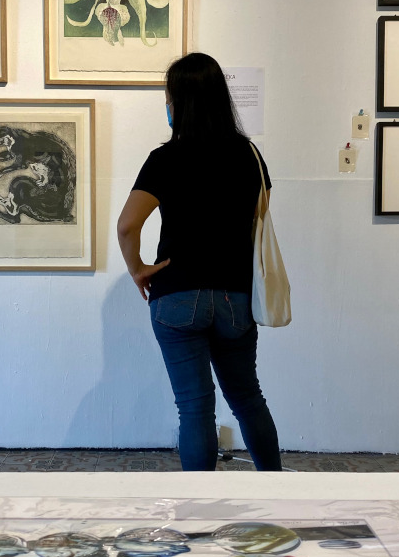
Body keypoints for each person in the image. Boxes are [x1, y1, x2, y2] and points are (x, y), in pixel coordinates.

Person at [116, 52, 282, 471]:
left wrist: (137, 269)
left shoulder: (165, 159)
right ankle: (280, 490)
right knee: (247, 398)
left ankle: (199, 507)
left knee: (194, 408)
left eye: (167, 97)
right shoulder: (249, 156)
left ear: (178, 102)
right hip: (235, 297)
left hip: (176, 293)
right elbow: (258, 215)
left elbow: (127, 225)